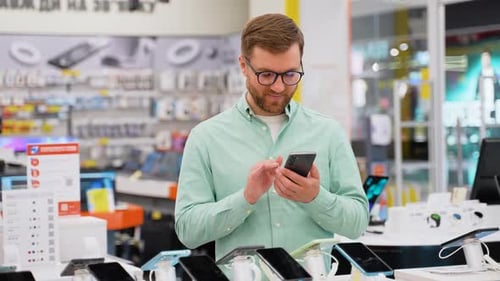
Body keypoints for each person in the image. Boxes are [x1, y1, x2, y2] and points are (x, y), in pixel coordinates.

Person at [174, 13, 369, 260]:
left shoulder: (328, 132)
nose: (278, 87)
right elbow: (188, 231)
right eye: (266, 75)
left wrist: (315, 198)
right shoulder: (206, 138)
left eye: (290, 75)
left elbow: (358, 223)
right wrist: (245, 199)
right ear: (243, 66)